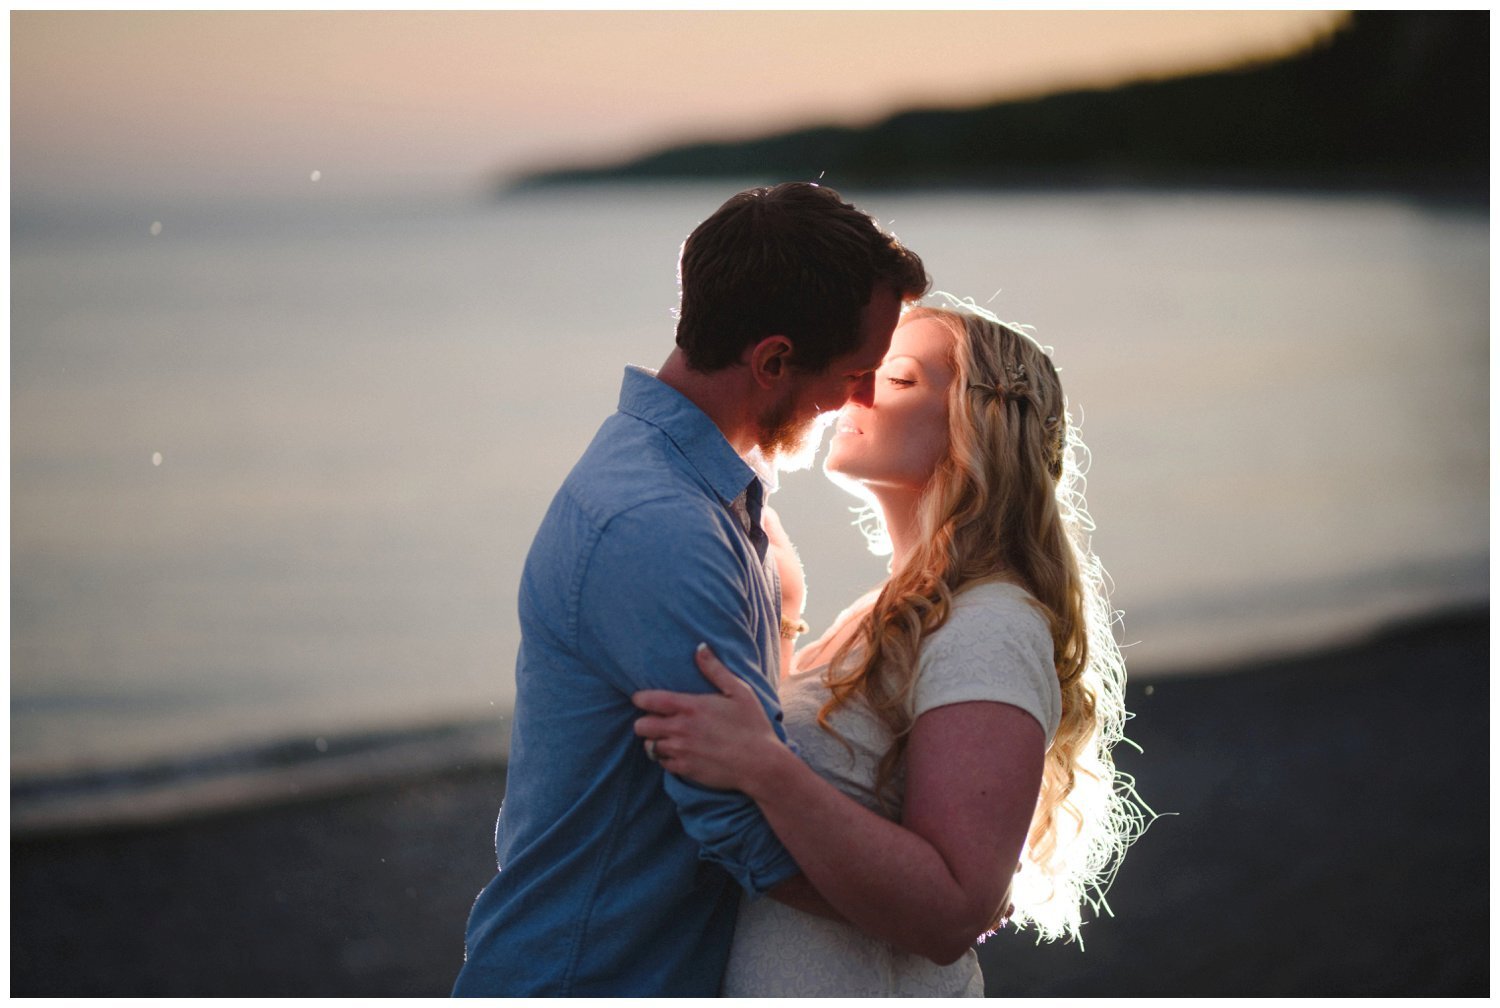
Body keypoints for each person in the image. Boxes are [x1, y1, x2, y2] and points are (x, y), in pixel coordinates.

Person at [451, 182, 929, 996]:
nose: (860, 399)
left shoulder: (699, 491)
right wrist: (931, 917)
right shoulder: (662, 526)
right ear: (773, 359)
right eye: (855, 372)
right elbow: (739, 831)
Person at [632, 303, 1147, 996]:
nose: (856, 389)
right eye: (863, 370)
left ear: (977, 424)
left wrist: (761, 767)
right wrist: (782, 613)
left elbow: (953, 914)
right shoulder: (882, 612)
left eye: (897, 379)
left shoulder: (990, 623)